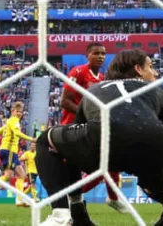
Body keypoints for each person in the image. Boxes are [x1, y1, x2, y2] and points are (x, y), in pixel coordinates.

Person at [36, 49, 163, 226]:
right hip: (152, 141)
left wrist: (77, 196)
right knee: (157, 186)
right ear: (138, 70)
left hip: (103, 138)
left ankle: (62, 214)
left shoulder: (93, 90)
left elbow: (74, 143)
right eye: (151, 67)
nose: (155, 72)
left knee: (48, 141)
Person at [60, 43, 128, 214]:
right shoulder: (77, 72)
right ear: (87, 55)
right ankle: (70, 197)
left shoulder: (102, 79)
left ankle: (112, 198)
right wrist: (87, 115)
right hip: (73, 127)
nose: (100, 56)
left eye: (103, 54)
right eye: (96, 53)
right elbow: (65, 101)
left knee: (110, 161)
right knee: (100, 166)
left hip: (91, 127)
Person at [0, 101, 36, 206]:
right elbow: (17, 133)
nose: (19, 113)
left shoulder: (9, 123)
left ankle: (19, 199)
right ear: (12, 112)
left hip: (8, 151)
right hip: (9, 151)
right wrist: (32, 139)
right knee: (11, 175)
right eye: (17, 111)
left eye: (21, 112)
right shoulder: (14, 121)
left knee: (19, 174)